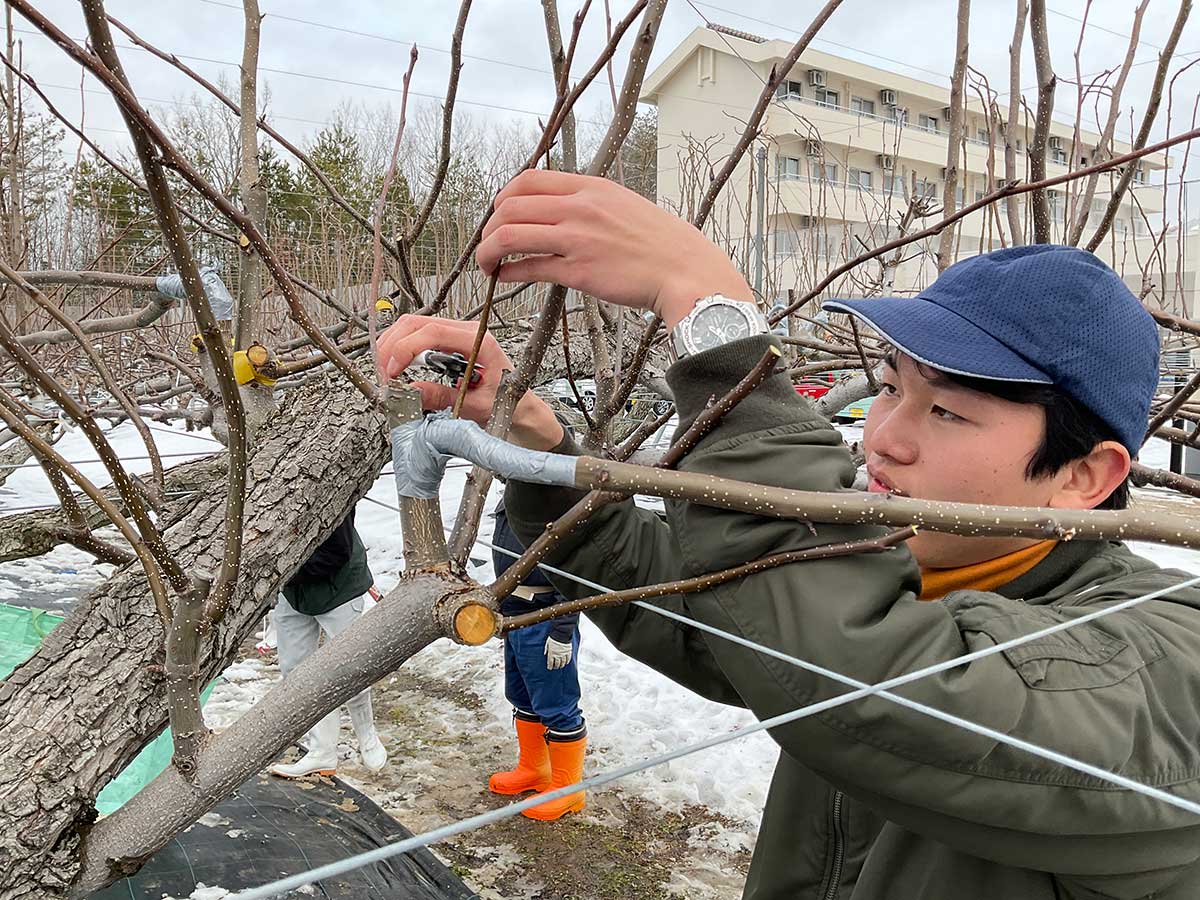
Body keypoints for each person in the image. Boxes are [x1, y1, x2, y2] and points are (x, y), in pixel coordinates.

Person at [378, 171, 1200, 899]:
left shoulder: (1167, 652)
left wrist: (709, 316)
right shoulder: (902, 572)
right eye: (889, 388)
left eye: (947, 411)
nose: (883, 439)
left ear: (1086, 477)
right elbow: (695, 604)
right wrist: (533, 437)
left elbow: (876, 682)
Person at [268, 511, 388, 778]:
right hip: (293, 591)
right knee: (296, 671)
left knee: (351, 667)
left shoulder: (328, 498)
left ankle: (366, 735)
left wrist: (282, 569)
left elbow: (337, 553)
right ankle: (321, 751)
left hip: (338, 586)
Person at [488, 502, 587, 820]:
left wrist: (562, 630)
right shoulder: (511, 497)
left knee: (557, 705)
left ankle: (568, 790)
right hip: (515, 615)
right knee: (522, 697)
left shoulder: (554, 500)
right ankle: (535, 769)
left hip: (545, 619)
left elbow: (574, 574)